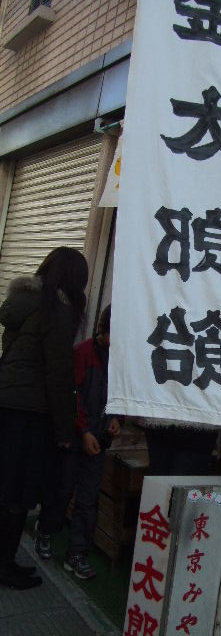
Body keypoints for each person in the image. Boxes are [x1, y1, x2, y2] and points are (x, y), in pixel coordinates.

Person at [0, 247, 88, 590]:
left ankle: (4, 561)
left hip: (7, 404)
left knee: (6, 487)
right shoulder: (57, 311)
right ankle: (4, 565)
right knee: (19, 491)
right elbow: (58, 374)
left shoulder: (23, 303)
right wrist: (66, 430)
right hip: (30, 414)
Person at [35, 304, 121, 579]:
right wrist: (83, 431)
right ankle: (46, 530)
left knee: (88, 498)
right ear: (101, 329)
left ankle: (77, 553)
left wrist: (118, 419)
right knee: (62, 489)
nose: (115, 343)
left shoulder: (121, 361)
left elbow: (120, 396)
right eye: (112, 335)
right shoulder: (83, 352)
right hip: (75, 438)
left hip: (99, 440)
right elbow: (74, 396)